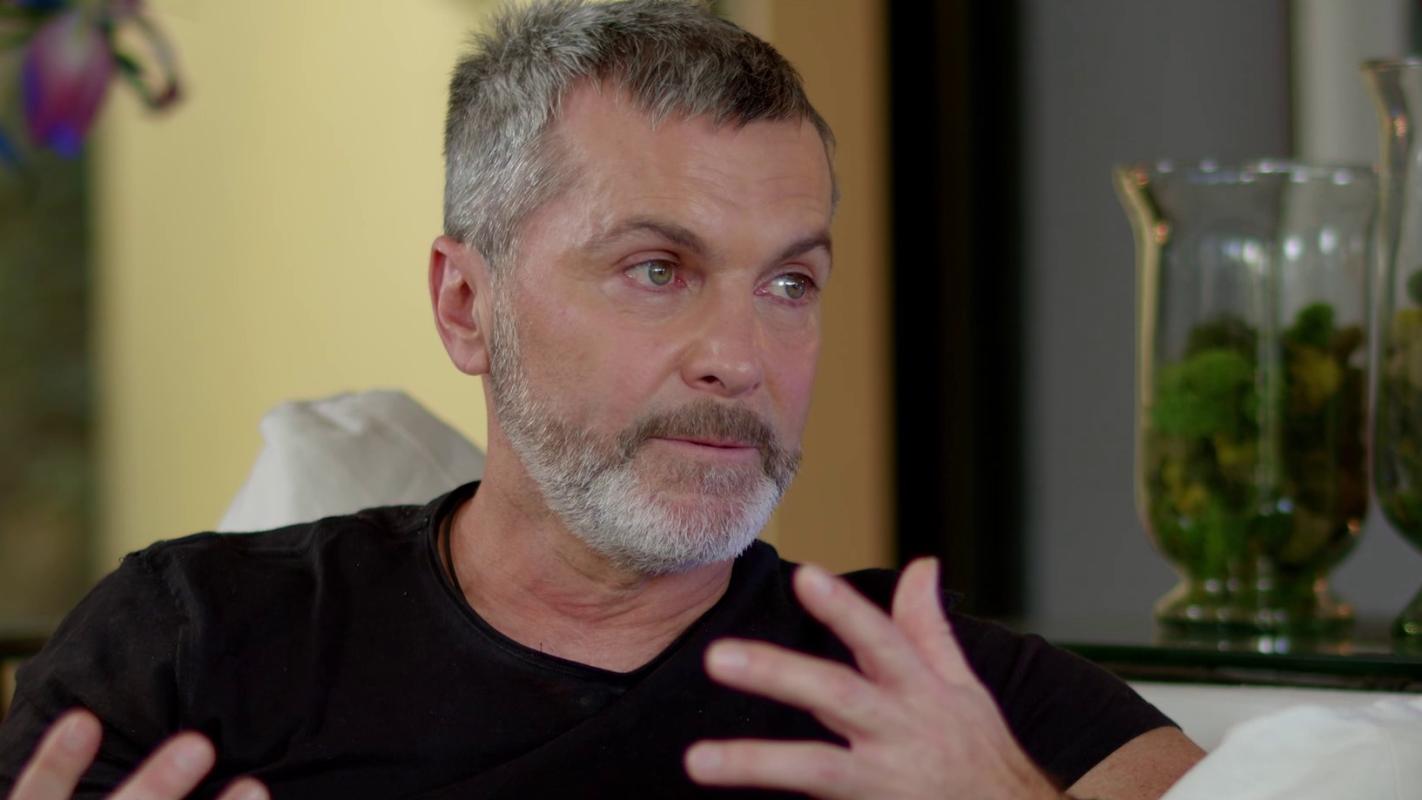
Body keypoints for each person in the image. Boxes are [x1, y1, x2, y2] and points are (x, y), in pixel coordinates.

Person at [0, 1, 1205, 797]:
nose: (740, 356)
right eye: (657, 269)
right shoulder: (196, 644)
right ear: (466, 304)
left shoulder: (931, 692)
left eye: (790, 282)